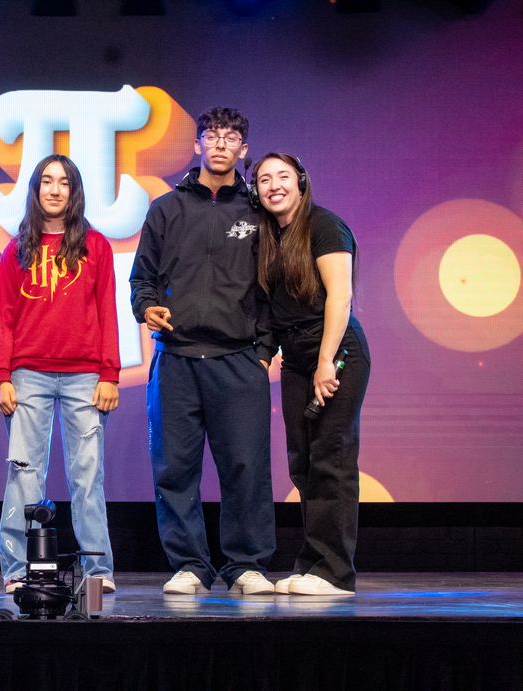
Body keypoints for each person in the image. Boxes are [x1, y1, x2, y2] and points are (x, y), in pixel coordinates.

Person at [130, 107, 278, 595]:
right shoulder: (166, 209)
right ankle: (190, 565)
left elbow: (274, 288)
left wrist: (263, 351)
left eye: (230, 137)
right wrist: (146, 307)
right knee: (174, 469)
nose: (220, 144)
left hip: (239, 360)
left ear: (243, 150)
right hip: (176, 359)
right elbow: (141, 279)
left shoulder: (257, 213)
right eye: (211, 136)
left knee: (246, 469)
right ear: (197, 145)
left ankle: (246, 565)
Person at [0, 154, 121, 595]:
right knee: (24, 475)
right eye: (46, 181)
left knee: (87, 476)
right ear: (35, 189)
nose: (54, 189)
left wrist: (109, 373)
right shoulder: (17, 248)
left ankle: (97, 571)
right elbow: (3, 318)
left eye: (64, 182)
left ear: (74, 191)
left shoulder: (95, 246)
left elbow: (107, 311)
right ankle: (19, 569)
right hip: (28, 374)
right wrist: (2, 376)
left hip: (86, 376)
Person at [252, 153, 370, 596]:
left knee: (330, 460)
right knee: (302, 463)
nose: (274, 185)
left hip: (336, 353)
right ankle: (313, 565)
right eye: (264, 179)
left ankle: (335, 573)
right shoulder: (271, 237)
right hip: (296, 357)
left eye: (283, 176)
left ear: (301, 182)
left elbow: (340, 296)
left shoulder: (324, 225)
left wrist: (325, 361)